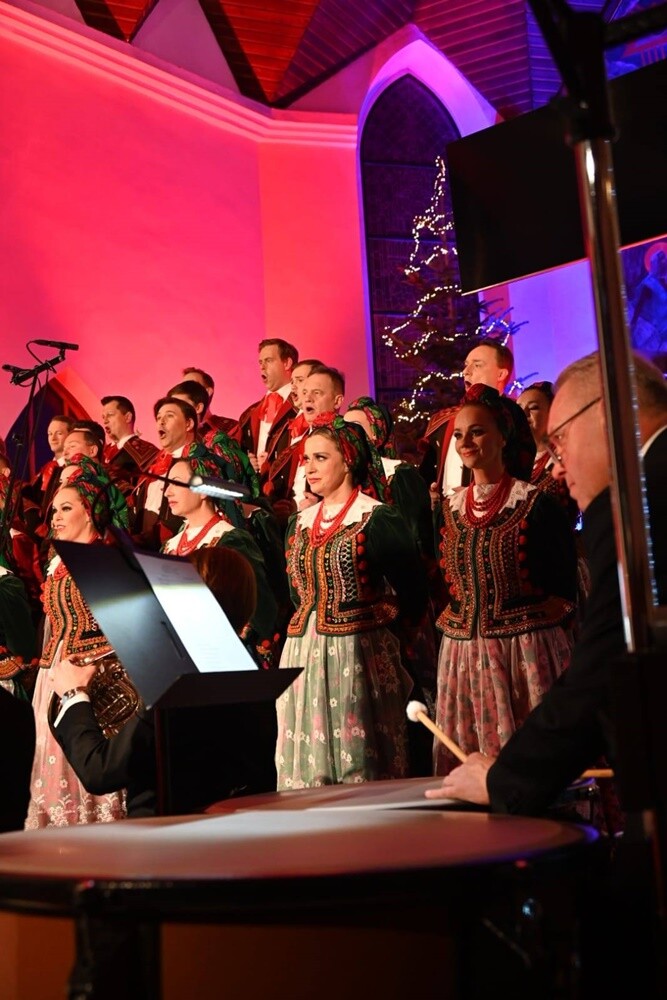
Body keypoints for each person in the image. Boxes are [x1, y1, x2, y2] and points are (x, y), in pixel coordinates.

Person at [426, 351, 667, 812]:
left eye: (560, 441)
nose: (556, 466)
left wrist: (508, 778)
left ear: (605, 413)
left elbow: (607, 656)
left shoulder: (636, 499)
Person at [49, 546, 275, 817]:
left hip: (165, 841)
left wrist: (74, 695)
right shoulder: (253, 677)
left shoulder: (178, 685)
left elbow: (99, 771)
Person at [276, 414, 428, 789]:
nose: (309, 468)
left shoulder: (376, 517)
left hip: (358, 652)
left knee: (358, 754)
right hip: (303, 652)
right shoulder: (299, 523)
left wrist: (387, 621)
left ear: (348, 461)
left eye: (320, 458)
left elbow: (412, 588)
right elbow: (297, 592)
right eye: (306, 459)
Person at [432, 384, 577, 774]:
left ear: (503, 436)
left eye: (477, 431)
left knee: (536, 764)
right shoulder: (450, 508)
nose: (466, 442)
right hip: (464, 656)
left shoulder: (535, 502)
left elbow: (565, 586)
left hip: (526, 656)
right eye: (460, 434)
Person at [25, 467, 135, 828]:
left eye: (66, 508)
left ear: (89, 511)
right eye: (54, 510)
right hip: (56, 671)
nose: (55, 517)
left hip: (95, 675)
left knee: (87, 753)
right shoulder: (58, 561)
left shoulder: (107, 558)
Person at [162, 447, 278, 658]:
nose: (167, 492)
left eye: (177, 483)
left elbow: (259, 609)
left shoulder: (229, 539)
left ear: (204, 489)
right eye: (167, 484)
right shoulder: (170, 545)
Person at [420, 338, 535, 496]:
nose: (466, 371)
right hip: (446, 516)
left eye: (477, 365)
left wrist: (479, 495)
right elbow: (428, 473)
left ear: (501, 374)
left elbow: (521, 467)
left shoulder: (512, 415)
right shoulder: (443, 420)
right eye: (466, 365)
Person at [237, 339, 298, 477]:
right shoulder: (250, 413)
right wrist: (246, 461)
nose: (262, 367)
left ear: (287, 363)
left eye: (269, 360)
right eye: (260, 362)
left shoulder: (300, 407)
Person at [100, 395, 158, 483]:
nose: (105, 421)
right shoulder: (102, 453)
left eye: (110, 415)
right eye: (103, 417)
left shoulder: (146, 451)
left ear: (128, 417)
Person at [181, 366, 237, 436]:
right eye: (182, 387)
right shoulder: (177, 432)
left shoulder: (230, 427)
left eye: (191, 386)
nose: (184, 391)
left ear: (207, 392)